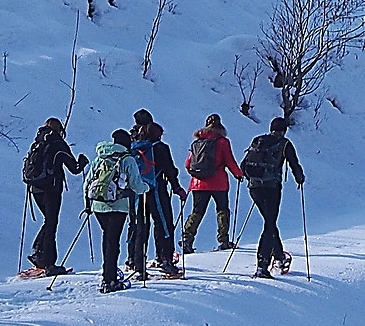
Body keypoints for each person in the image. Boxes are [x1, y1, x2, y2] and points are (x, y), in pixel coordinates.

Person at [239, 119, 306, 279]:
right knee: (269, 224)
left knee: (270, 222)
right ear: (285, 130)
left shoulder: (258, 141)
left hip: (254, 188)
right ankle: (262, 265)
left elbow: (243, 165)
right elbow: (294, 164)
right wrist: (300, 178)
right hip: (272, 188)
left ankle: (279, 255)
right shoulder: (284, 144)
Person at [84, 128, 148, 293]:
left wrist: (88, 205)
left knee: (107, 239)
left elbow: (87, 182)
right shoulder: (127, 159)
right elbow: (136, 185)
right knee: (113, 241)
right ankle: (110, 279)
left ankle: (108, 272)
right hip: (118, 205)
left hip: (98, 205)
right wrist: (146, 188)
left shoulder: (100, 157)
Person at [20, 117, 86, 275]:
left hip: (35, 187)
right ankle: (48, 262)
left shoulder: (37, 142)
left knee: (48, 221)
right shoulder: (58, 144)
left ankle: (40, 254)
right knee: (51, 223)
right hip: (51, 188)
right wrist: (83, 162)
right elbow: (74, 168)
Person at [126, 111, 183, 279]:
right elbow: (170, 170)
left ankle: (135, 261)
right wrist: (177, 188)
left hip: (137, 192)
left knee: (139, 226)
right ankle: (165, 260)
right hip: (156, 190)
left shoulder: (133, 146)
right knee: (163, 224)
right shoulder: (160, 147)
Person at [179, 115, 242, 255]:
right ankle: (223, 240)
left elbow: (188, 164)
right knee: (222, 210)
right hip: (218, 182)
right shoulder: (222, 142)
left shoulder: (197, 142)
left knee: (197, 211)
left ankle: (187, 239)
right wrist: (239, 174)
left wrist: (197, 175)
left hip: (198, 183)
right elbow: (229, 161)